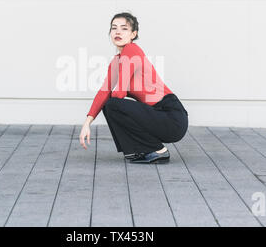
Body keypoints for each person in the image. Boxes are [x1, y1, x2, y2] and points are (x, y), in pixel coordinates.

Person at [79, 12, 188, 164]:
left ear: (133, 34)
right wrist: (87, 123)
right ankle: (136, 149)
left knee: (112, 104)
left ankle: (158, 150)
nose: (117, 32)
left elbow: (119, 94)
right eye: (114, 28)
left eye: (124, 28)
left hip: (171, 117)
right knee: (109, 103)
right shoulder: (117, 61)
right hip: (157, 115)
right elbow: (103, 92)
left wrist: (114, 97)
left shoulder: (132, 50)